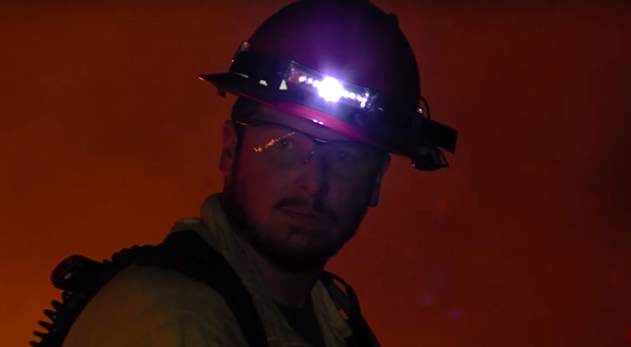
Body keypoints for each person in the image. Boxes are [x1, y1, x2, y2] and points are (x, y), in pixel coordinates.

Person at [56, 0, 457, 346]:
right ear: (231, 151)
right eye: (284, 145)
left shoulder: (335, 320)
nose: (314, 181)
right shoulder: (171, 319)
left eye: (346, 159)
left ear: (376, 182)